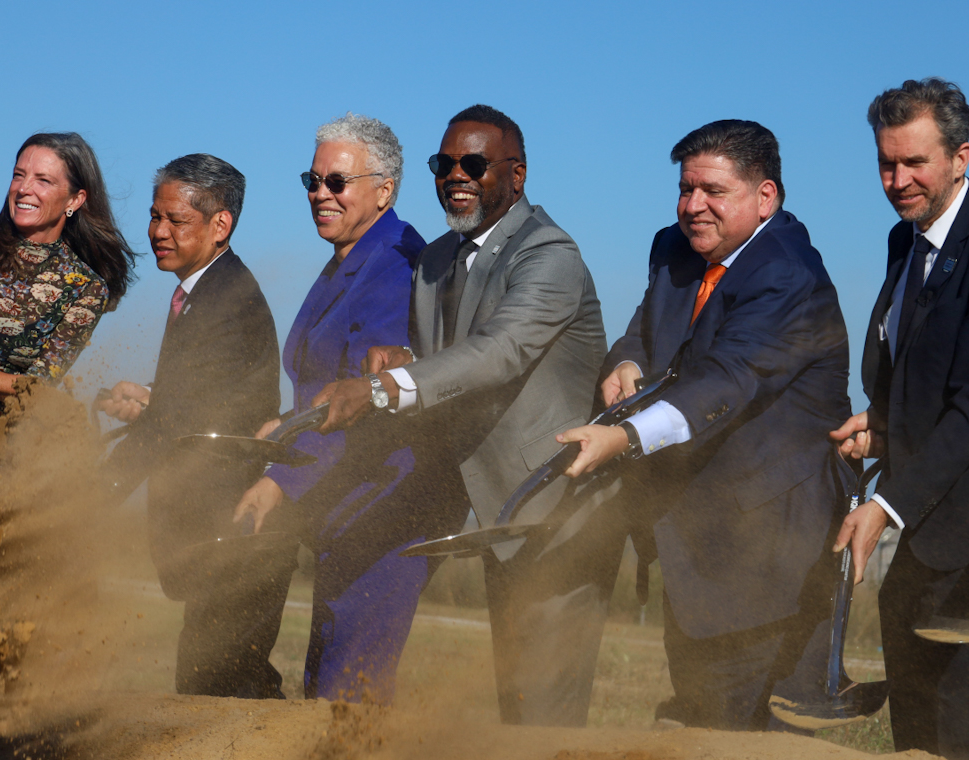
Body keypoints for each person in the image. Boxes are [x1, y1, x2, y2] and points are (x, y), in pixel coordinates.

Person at [312, 105, 617, 726]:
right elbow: (451, 363)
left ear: (517, 175)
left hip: (556, 508)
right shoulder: (437, 259)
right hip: (496, 510)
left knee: (544, 719)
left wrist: (381, 389)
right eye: (444, 163)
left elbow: (499, 353)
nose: (457, 175)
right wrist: (408, 357)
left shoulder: (550, 253)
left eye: (475, 164)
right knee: (517, 708)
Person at [558, 120, 853, 730]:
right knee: (701, 712)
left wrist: (625, 436)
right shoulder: (676, 248)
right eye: (685, 189)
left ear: (765, 197)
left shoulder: (788, 275)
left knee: (756, 730)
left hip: (770, 549)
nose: (693, 206)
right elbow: (646, 328)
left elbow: (728, 378)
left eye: (714, 191)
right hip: (691, 537)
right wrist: (626, 362)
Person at [832, 78, 969, 759]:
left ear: (961, 157)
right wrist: (883, 425)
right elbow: (920, 374)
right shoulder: (906, 242)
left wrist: (886, 506)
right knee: (915, 721)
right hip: (925, 526)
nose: (898, 181)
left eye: (915, 163)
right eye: (886, 163)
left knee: (961, 724)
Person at [232, 114, 447, 703]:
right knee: (326, 688)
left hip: (383, 505)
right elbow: (326, 385)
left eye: (337, 182)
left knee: (347, 699)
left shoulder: (394, 263)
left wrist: (277, 483)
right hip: (344, 504)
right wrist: (286, 423)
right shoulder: (352, 256)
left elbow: (361, 399)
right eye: (313, 180)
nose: (319, 194)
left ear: (384, 190)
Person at [0, 132, 135, 665]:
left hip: (7, 456)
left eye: (43, 179)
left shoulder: (84, 287)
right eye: (18, 174)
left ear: (75, 199)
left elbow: (38, 386)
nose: (24, 188)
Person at [100, 154, 285, 698]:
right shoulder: (204, 291)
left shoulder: (227, 299)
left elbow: (175, 422)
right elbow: (204, 401)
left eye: (176, 220)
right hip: (216, 544)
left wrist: (89, 499)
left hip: (235, 539)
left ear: (220, 224)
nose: (159, 231)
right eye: (155, 216)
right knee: (217, 693)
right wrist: (152, 400)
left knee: (224, 700)